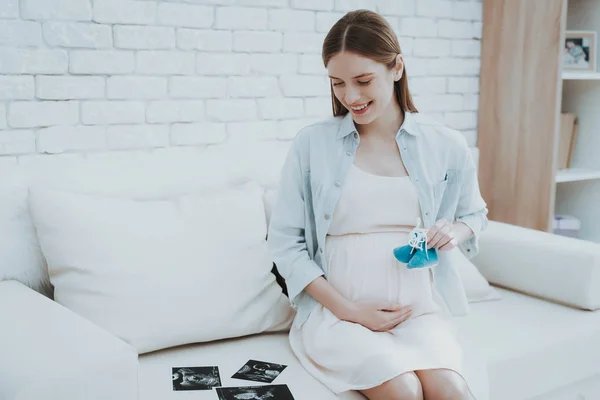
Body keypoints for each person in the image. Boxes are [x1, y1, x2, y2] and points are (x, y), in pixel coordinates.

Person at [267, 9, 489, 400]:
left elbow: (475, 215)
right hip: (338, 317)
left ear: (397, 68)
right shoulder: (312, 145)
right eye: (337, 84)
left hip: (419, 312)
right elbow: (286, 245)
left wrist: (452, 231)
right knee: (403, 390)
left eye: (363, 80)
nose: (350, 96)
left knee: (453, 391)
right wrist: (351, 311)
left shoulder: (445, 145)